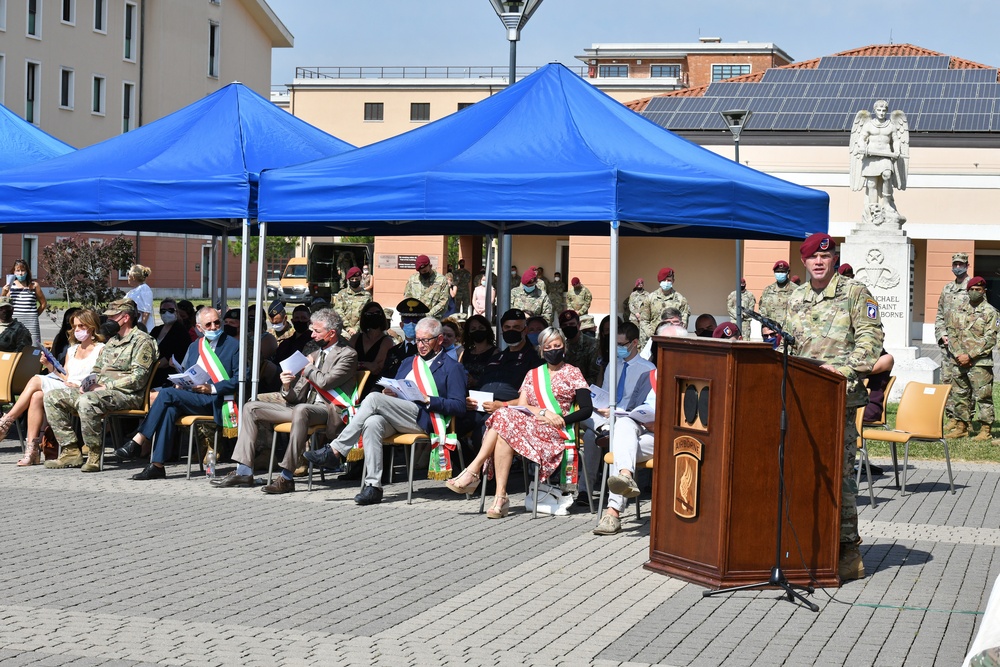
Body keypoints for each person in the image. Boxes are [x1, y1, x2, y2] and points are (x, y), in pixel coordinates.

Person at [782, 232, 883, 581]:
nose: (820, 262)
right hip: (799, 398)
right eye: (813, 258)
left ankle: (847, 551)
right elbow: (787, 345)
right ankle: (806, 544)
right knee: (800, 472)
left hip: (837, 397)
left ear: (834, 259)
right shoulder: (794, 297)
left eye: (826, 256)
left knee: (839, 476)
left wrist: (840, 370)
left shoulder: (855, 293)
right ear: (804, 261)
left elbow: (872, 343)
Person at [305, 317, 467, 506]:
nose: (420, 345)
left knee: (373, 399)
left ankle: (336, 450)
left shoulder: (452, 367)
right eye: (417, 339)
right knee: (372, 423)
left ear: (439, 340)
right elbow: (397, 390)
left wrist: (428, 399)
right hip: (402, 416)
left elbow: (459, 406)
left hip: (428, 419)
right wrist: (390, 393)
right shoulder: (408, 362)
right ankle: (373, 486)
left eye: (426, 340)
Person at [446, 327, 592, 518]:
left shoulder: (573, 373)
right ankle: (498, 495)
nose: (553, 349)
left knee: (503, 423)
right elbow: (521, 406)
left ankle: (477, 475)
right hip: (528, 425)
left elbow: (587, 409)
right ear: (541, 350)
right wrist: (543, 411)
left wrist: (560, 419)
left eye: (557, 345)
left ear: (564, 347)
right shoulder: (533, 374)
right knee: (505, 421)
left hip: (556, 430)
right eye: (548, 346)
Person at [214, 309, 359, 493]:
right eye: (312, 330)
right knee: (251, 407)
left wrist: (307, 367)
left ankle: (286, 476)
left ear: (331, 333)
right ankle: (244, 471)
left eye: (317, 331)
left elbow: (325, 381)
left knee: (301, 410)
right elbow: (296, 396)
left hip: (329, 410)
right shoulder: (314, 353)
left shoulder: (347, 354)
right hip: (303, 409)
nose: (312, 334)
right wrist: (287, 386)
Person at [115, 307, 241, 480]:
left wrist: (211, 388)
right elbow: (188, 372)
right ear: (199, 327)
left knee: (166, 395)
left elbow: (241, 379)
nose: (213, 327)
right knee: (169, 409)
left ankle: (139, 440)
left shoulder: (234, 345)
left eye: (217, 322)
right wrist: (182, 383)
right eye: (208, 324)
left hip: (217, 400)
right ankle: (157, 465)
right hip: (193, 397)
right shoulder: (195, 346)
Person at [44, 298, 158, 472]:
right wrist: (86, 383)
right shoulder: (113, 341)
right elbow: (97, 369)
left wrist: (106, 387)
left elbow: (138, 378)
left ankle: (94, 453)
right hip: (99, 392)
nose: (109, 321)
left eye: (113, 317)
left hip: (127, 394)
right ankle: (70, 450)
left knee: (87, 401)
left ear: (125, 317)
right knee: (53, 397)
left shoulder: (143, 341)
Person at [594, 321, 680, 535]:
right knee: (624, 424)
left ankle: (612, 512)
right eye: (662, 345)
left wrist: (658, 423)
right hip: (642, 434)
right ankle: (625, 477)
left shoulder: (687, 377)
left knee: (622, 448)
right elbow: (632, 409)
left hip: (668, 437)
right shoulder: (649, 377)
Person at [0, 309, 104, 466]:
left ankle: (6, 421)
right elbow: (66, 376)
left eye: (81, 326)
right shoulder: (72, 349)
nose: (77, 330)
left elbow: (101, 377)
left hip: (84, 390)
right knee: (36, 396)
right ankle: (32, 451)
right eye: (75, 327)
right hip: (66, 386)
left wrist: (78, 384)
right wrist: (50, 365)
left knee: (36, 380)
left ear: (91, 327)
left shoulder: (101, 349)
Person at [580, 321, 655, 503]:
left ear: (634, 343)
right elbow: (605, 392)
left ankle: (605, 432)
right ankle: (585, 492)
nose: (618, 348)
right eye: (616, 344)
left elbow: (646, 406)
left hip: (628, 418)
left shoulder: (648, 369)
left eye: (622, 345)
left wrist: (615, 412)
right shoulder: (613, 366)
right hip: (607, 415)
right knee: (585, 418)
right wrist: (600, 405)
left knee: (592, 437)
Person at [943, 276, 998, 441]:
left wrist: (970, 355)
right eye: (972, 290)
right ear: (967, 291)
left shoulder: (991, 312)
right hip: (959, 361)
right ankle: (962, 427)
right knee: (960, 394)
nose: (975, 292)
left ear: (984, 291)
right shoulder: (957, 310)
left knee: (983, 396)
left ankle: (985, 430)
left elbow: (990, 339)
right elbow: (951, 333)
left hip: (980, 362)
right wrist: (959, 354)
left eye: (978, 290)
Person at [936, 252, 972, 431]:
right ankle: (951, 416)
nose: (958, 267)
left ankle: (966, 418)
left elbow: (978, 316)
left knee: (964, 381)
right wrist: (942, 333)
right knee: (947, 379)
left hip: (964, 345)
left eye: (961, 264)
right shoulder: (947, 288)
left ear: (967, 265)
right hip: (947, 345)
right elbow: (940, 314)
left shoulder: (973, 287)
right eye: (955, 264)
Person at [348, 301, 394, 399]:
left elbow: (376, 368)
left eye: (377, 313)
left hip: (373, 386)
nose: (374, 316)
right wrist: (366, 365)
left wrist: (358, 364)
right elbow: (346, 362)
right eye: (369, 314)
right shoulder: (355, 338)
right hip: (351, 383)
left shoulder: (387, 341)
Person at [149, 298, 195, 388]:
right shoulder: (156, 330)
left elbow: (171, 358)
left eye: (170, 310)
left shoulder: (181, 332)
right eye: (163, 311)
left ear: (176, 312)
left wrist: (151, 365)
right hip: (151, 374)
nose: (167, 313)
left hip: (169, 378)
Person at [2, 258, 46, 347]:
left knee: (34, 347)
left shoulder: (33, 285)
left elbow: (43, 303)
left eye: (23, 270)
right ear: (14, 272)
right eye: (18, 270)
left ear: (27, 271)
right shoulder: (10, 286)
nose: (20, 273)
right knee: (15, 347)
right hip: (15, 322)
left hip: (31, 323)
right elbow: (2, 305)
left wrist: (34, 315)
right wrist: (4, 292)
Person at [640, 268, 690, 345]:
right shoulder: (650, 298)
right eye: (664, 280)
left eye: (669, 280)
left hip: (672, 341)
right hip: (653, 339)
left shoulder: (681, 300)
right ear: (659, 281)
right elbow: (644, 320)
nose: (666, 282)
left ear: (673, 281)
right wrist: (653, 334)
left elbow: (683, 322)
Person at [383, 298, 429, 379]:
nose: (411, 324)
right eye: (407, 320)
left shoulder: (427, 350)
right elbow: (384, 376)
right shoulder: (393, 351)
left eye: (415, 320)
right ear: (401, 325)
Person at [559, 309, 600, 386]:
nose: (569, 327)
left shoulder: (593, 344)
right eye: (565, 325)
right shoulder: (561, 346)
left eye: (572, 324)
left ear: (579, 325)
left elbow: (594, 375)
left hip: (586, 391)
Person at [403, 254, 449, 319]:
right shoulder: (413, 279)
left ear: (430, 266)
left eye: (425, 271)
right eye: (420, 272)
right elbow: (407, 298)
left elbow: (443, 302)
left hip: (433, 320)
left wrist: (427, 315)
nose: (423, 273)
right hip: (415, 320)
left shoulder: (441, 280)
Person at [461, 314, 498, 390]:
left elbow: (495, 378)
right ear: (469, 333)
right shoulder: (465, 353)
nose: (477, 331)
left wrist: (475, 382)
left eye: (481, 328)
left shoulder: (495, 353)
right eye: (473, 329)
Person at [333, 267, 372, 337]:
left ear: (360, 278)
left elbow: (367, 314)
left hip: (360, 332)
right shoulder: (341, 294)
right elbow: (338, 311)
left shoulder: (367, 295)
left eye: (356, 279)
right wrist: (348, 328)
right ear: (348, 280)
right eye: (352, 279)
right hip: (343, 332)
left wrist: (356, 328)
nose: (354, 281)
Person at [758, 260, 796, 326]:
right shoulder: (768, 290)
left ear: (788, 272)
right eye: (777, 272)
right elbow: (762, 309)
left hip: (789, 329)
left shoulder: (796, 290)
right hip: (772, 329)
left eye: (782, 271)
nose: (780, 274)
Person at [125, 264, 153, 330]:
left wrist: (141, 329)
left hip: (141, 329)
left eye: (128, 274)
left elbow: (146, 311)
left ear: (133, 276)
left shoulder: (144, 289)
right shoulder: (134, 291)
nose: (127, 276)